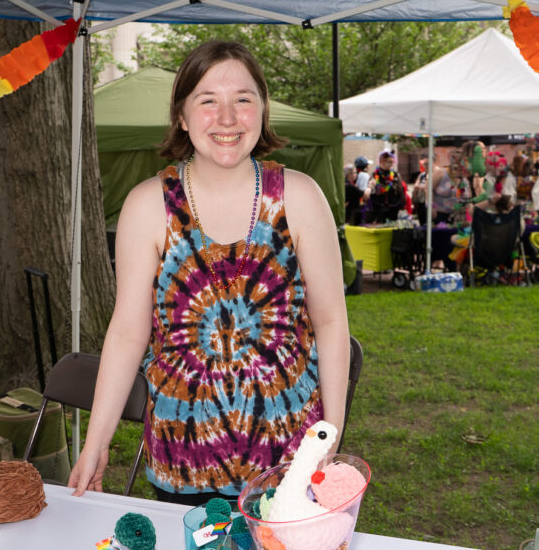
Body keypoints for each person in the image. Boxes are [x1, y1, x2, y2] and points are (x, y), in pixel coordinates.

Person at [67, 39, 348, 503]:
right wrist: (96, 442)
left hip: (291, 468)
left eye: (243, 99)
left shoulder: (301, 197)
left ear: (262, 110)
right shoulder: (146, 206)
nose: (227, 118)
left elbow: (332, 322)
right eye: (208, 101)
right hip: (182, 463)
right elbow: (128, 333)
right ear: (181, 115)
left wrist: (329, 438)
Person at [369, 149, 405, 223]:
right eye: (389, 162)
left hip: (393, 206)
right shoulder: (374, 175)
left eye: (392, 162)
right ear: (382, 161)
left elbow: (401, 191)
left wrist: (402, 205)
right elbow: (372, 193)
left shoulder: (395, 175)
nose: (391, 164)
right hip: (379, 207)